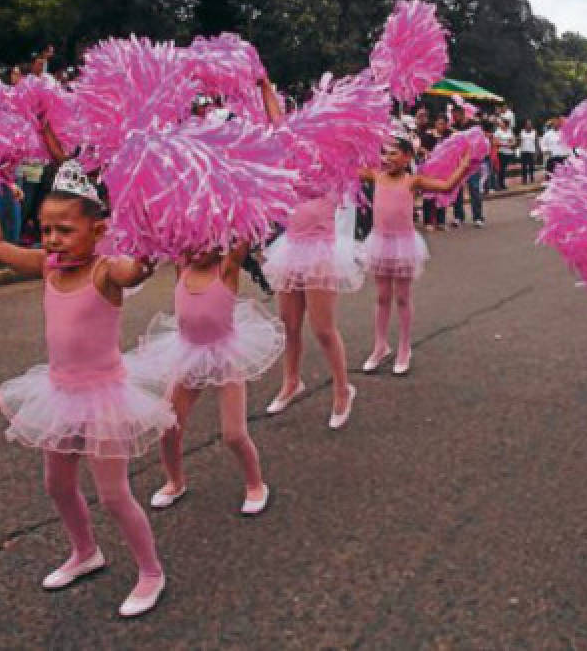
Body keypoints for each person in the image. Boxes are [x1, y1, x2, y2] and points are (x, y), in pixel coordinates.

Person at [0, 165, 174, 618]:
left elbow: (135, 271)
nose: (53, 239)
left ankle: (150, 571)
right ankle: (85, 552)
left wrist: (145, 230)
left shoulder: (105, 271)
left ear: (97, 230)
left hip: (104, 396)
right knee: (57, 485)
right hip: (59, 393)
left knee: (114, 494)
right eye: (46, 229)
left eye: (65, 229)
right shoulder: (47, 267)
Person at [131, 236, 284, 516]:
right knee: (168, 426)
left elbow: (243, 234)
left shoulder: (226, 269)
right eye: (193, 239)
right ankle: (174, 481)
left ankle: (255, 484)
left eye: (207, 240)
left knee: (234, 434)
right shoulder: (183, 267)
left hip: (224, 358)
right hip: (188, 355)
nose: (198, 248)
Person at [259, 79, 364, 428]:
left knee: (322, 328)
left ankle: (342, 389)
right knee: (290, 324)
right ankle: (291, 381)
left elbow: (361, 124)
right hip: (290, 248)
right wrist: (264, 85)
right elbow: (277, 122)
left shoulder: (340, 159)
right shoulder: (294, 150)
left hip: (321, 252)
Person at [358, 138, 470, 375]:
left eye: (394, 154)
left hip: (404, 244)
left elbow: (447, 185)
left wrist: (464, 164)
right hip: (379, 241)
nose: (388, 159)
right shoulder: (375, 176)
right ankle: (380, 346)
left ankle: (404, 347)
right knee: (381, 296)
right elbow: (344, 168)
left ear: (408, 156)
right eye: (385, 154)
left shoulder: (413, 181)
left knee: (402, 297)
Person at [419, 115, 451, 230]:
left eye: (443, 124)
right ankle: (428, 222)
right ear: (435, 123)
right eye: (439, 123)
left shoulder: (448, 136)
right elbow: (420, 148)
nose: (441, 126)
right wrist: (428, 153)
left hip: (443, 170)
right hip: (430, 170)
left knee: (442, 194)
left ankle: (441, 221)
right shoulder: (428, 135)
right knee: (429, 195)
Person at [493, 118, 515, 191]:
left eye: (502, 122)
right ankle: (498, 184)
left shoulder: (509, 131)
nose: (500, 123)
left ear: (505, 124)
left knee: (504, 169)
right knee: (500, 169)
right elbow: (495, 142)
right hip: (500, 152)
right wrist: (505, 144)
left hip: (508, 152)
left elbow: (512, 141)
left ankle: (502, 184)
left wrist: (511, 144)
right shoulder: (497, 132)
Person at [518, 120, 538, 184]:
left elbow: (536, 142)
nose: (529, 125)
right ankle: (524, 179)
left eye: (530, 124)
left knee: (531, 166)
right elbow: (519, 142)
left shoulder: (534, 132)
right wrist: (519, 150)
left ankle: (531, 178)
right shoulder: (522, 132)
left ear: (531, 125)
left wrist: (537, 151)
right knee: (524, 166)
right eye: (527, 124)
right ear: (525, 125)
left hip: (532, 151)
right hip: (524, 151)